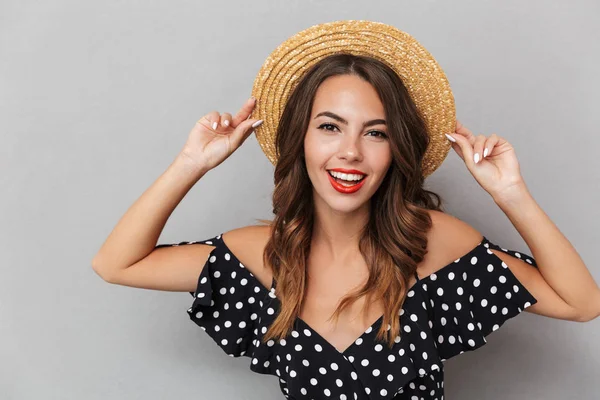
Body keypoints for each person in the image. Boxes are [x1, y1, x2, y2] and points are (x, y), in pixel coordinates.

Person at [91, 21, 600, 400]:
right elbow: (116, 264)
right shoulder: (260, 256)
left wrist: (510, 194)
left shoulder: (437, 243)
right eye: (330, 127)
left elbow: (582, 303)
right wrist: (191, 163)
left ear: (394, 149)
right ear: (301, 140)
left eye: (374, 132)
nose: (350, 152)